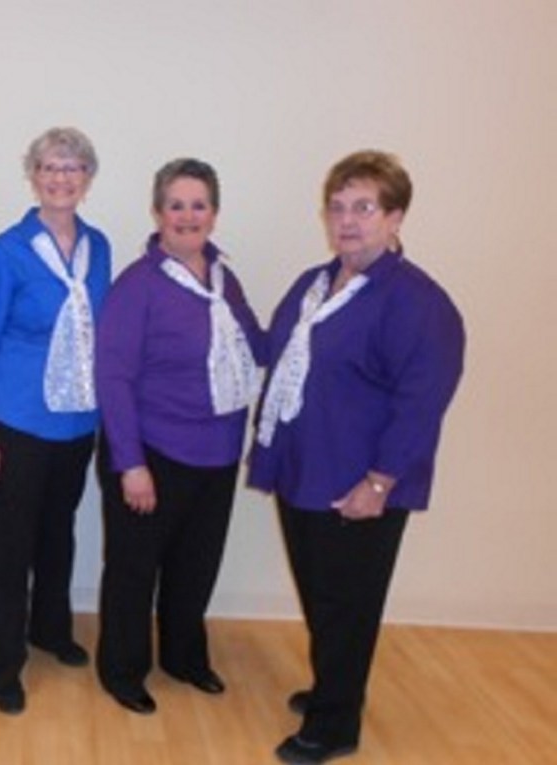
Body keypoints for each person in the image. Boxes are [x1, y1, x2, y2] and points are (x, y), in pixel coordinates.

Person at [248, 150, 465, 764]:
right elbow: (272, 344)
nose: (348, 221)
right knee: (322, 596)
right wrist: (213, 290)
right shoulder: (315, 284)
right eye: (338, 207)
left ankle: (334, 726)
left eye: (364, 208)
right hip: (303, 470)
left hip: (358, 482)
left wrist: (381, 480)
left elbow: (422, 400)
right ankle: (334, 689)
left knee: (348, 604)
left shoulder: (416, 301)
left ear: (395, 217)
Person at [94, 158, 265, 714]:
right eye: (176, 204)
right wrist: (130, 464)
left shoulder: (224, 280)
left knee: (196, 566)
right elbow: (113, 377)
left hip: (217, 453)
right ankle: (122, 670)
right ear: (158, 212)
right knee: (133, 570)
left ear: (214, 213)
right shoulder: (137, 285)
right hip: (151, 453)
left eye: (198, 205)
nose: (187, 216)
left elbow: (253, 346)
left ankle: (185, 657)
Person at [0, 127, 111, 715]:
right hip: (16, 424)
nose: (61, 178)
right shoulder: (7, 251)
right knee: (13, 548)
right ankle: (4, 664)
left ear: (87, 178)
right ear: (34, 175)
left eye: (73, 168)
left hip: (77, 424)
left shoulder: (99, 246)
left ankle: (50, 629)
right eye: (50, 167)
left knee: (59, 534)